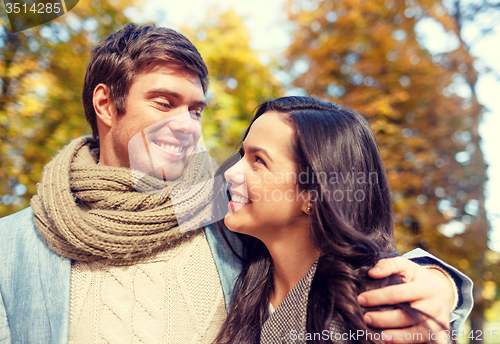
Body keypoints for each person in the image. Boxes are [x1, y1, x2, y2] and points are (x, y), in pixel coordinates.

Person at [0, 24, 472, 343]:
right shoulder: (14, 246)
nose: (188, 126)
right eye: (165, 103)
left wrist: (439, 284)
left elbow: (331, 249)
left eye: (196, 109)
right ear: (106, 105)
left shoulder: (224, 212)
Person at [215, 97, 469, 344]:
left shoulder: (377, 309)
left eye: (258, 160)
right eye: (242, 154)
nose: (231, 171)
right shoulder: (239, 274)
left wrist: (443, 285)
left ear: (313, 193)